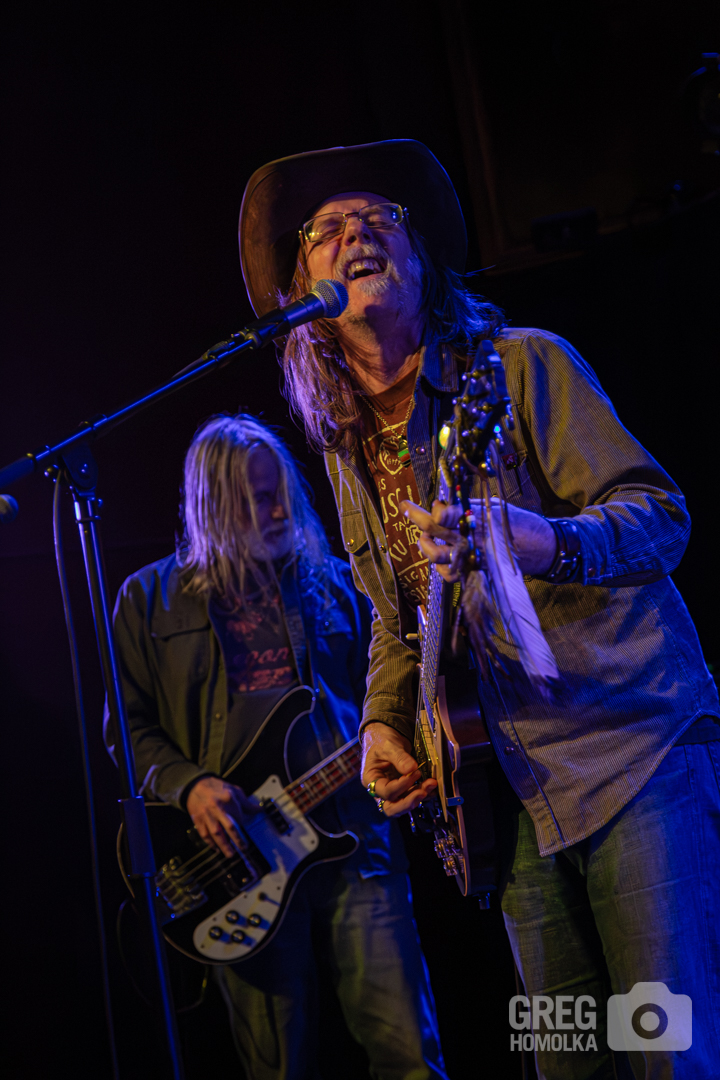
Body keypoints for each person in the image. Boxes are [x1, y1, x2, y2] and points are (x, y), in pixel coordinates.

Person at [237, 140, 720, 1079]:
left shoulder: (522, 366)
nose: (357, 234)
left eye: (380, 219)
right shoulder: (344, 444)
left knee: (665, 1054)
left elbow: (663, 518)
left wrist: (547, 541)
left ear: (421, 260)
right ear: (302, 292)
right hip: (504, 799)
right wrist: (383, 723)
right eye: (327, 230)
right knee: (568, 1063)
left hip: (630, 753)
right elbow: (398, 619)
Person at [106, 413, 447, 1080]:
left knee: (410, 1055)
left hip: (356, 841)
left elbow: (394, 696)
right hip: (237, 861)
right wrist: (189, 787)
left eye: (281, 493)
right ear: (212, 506)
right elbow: (126, 729)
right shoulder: (147, 600)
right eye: (258, 499)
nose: (279, 511)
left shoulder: (338, 583)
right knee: (278, 1067)